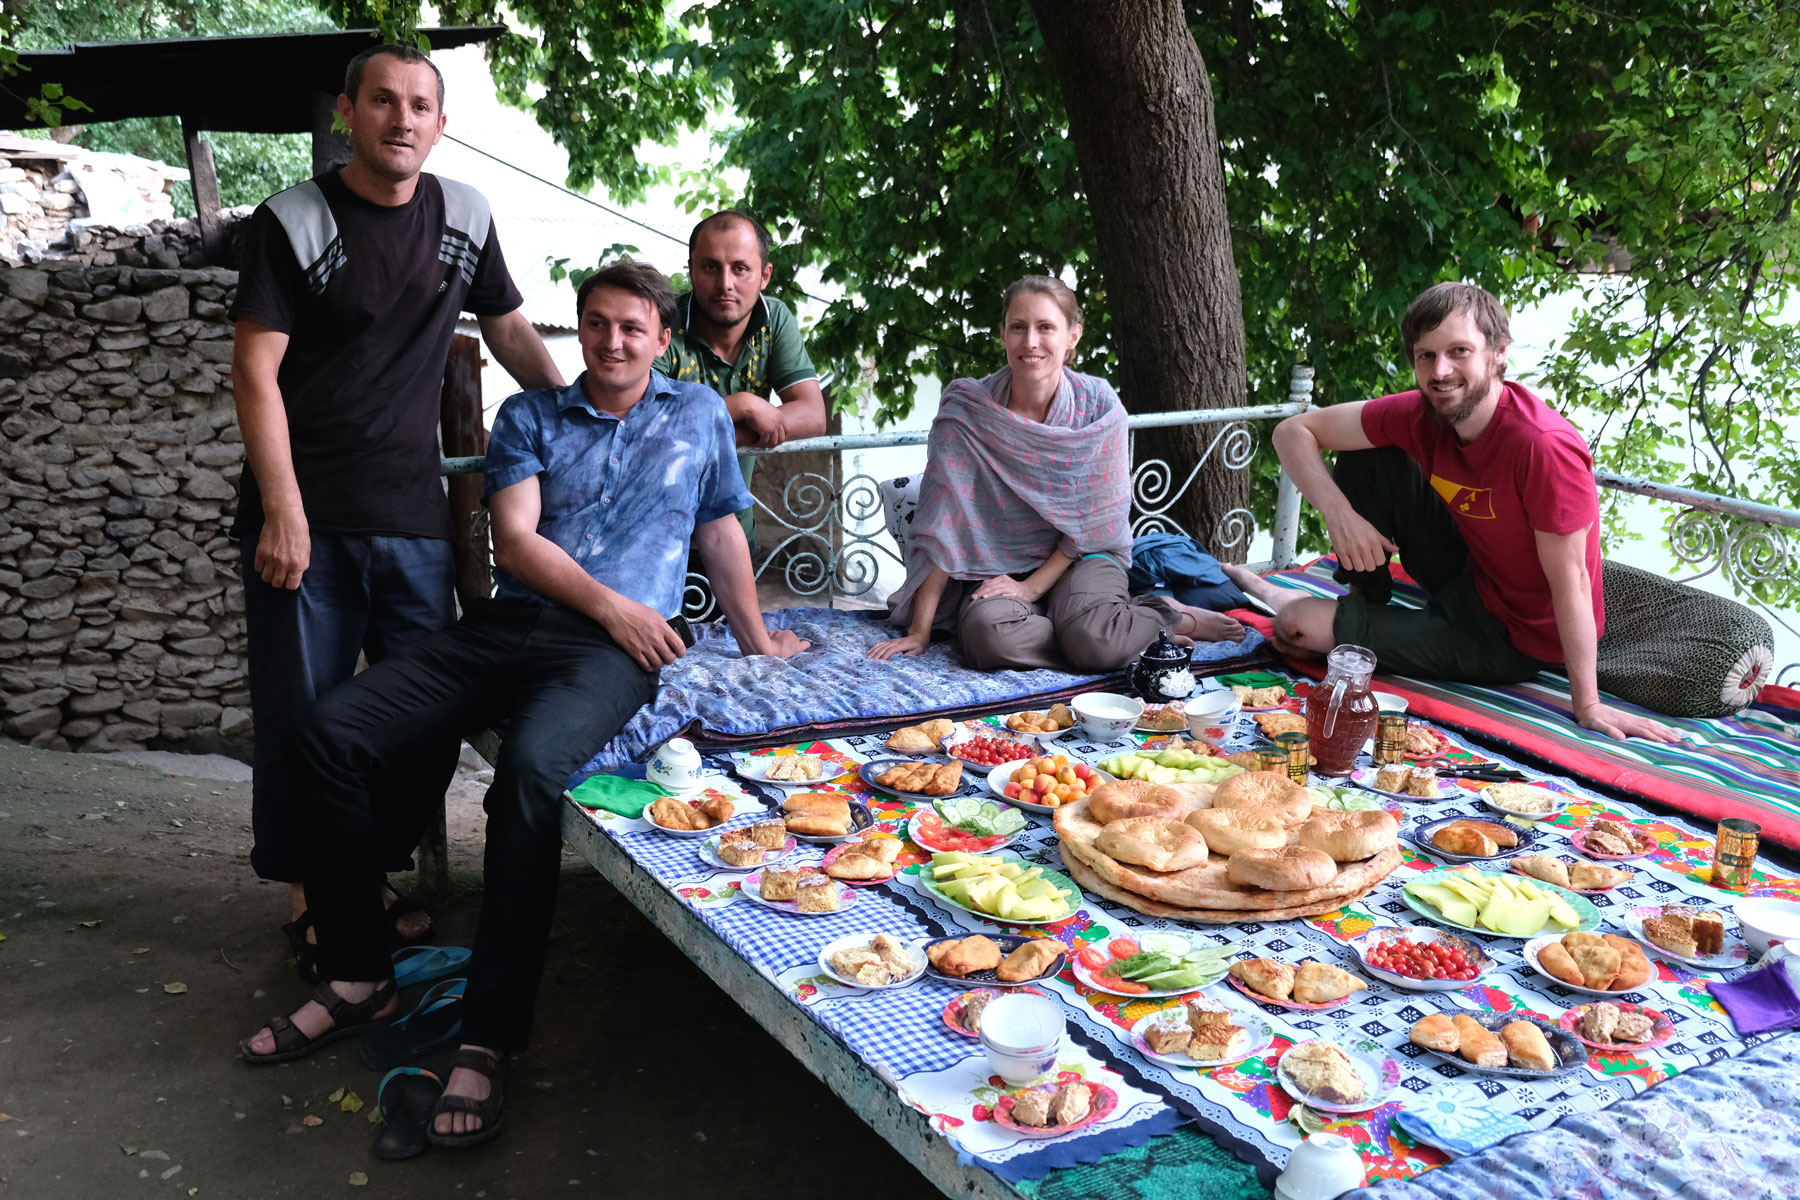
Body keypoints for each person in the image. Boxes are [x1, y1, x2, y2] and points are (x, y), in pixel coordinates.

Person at [237, 261, 810, 1148]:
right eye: (594, 323)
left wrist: (760, 637)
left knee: (531, 776)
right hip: (515, 625)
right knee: (328, 733)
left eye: (631, 327)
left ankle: (488, 1038)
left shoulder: (696, 415)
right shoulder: (530, 414)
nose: (611, 341)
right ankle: (359, 974)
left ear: (663, 339)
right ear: (574, 330)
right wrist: (620, 603)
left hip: (614, 655)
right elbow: (515, 539)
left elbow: (719, 525)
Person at [230, 44, 564, 963]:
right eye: (383, 101)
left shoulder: (465, 214)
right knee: (305, 717)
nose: (401, 119)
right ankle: (316, 900)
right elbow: (254, 372)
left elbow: (504, 327)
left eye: (420, 104)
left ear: (440, 124)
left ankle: (360, 877)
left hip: (415, 518)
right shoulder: (291, 221)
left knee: (430, 715)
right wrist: (281, 507)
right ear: (350, 112)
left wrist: (578, 417)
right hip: (307, 521)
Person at [1222, 282, 1678, 742]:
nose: (1440, 371)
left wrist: (1589, 704)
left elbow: (1574, 581)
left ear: (1498, 353)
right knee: (1365, 448)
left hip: (1509, 639)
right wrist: (1340, 516)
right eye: (1426, 356)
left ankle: (1304, 607)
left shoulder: (1542, 446)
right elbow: (1292, 431)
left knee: (1294, 626)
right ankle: (1365, 603)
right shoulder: (1425, 413)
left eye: (1459, 351)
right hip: (1468, 574)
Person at [869, 276, 1244, 671]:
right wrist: (920, 631)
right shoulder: (967, 410)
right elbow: (943, 526)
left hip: (1083, 555)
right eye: (1018, 327)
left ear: (1072, 336)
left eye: (1045, 327)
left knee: (1095, 642)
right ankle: (1097, 627)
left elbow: (1097, 522)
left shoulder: (1098, 407)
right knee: (986, 637)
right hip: (998, 565)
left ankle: (1163, 615)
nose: (1030, 342)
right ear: (1003, 334)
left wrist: (1031, 588)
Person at [653, 210, 827, 546]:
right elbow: (649, 423)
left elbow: (813, 414)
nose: (725, 284)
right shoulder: (662, 325)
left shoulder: (774, 318)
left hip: (733, 537)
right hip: (659, 537)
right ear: (691, 269)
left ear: (765, 275)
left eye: (740, 268)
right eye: (710, 267)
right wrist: (743, 405)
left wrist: (720, 434)